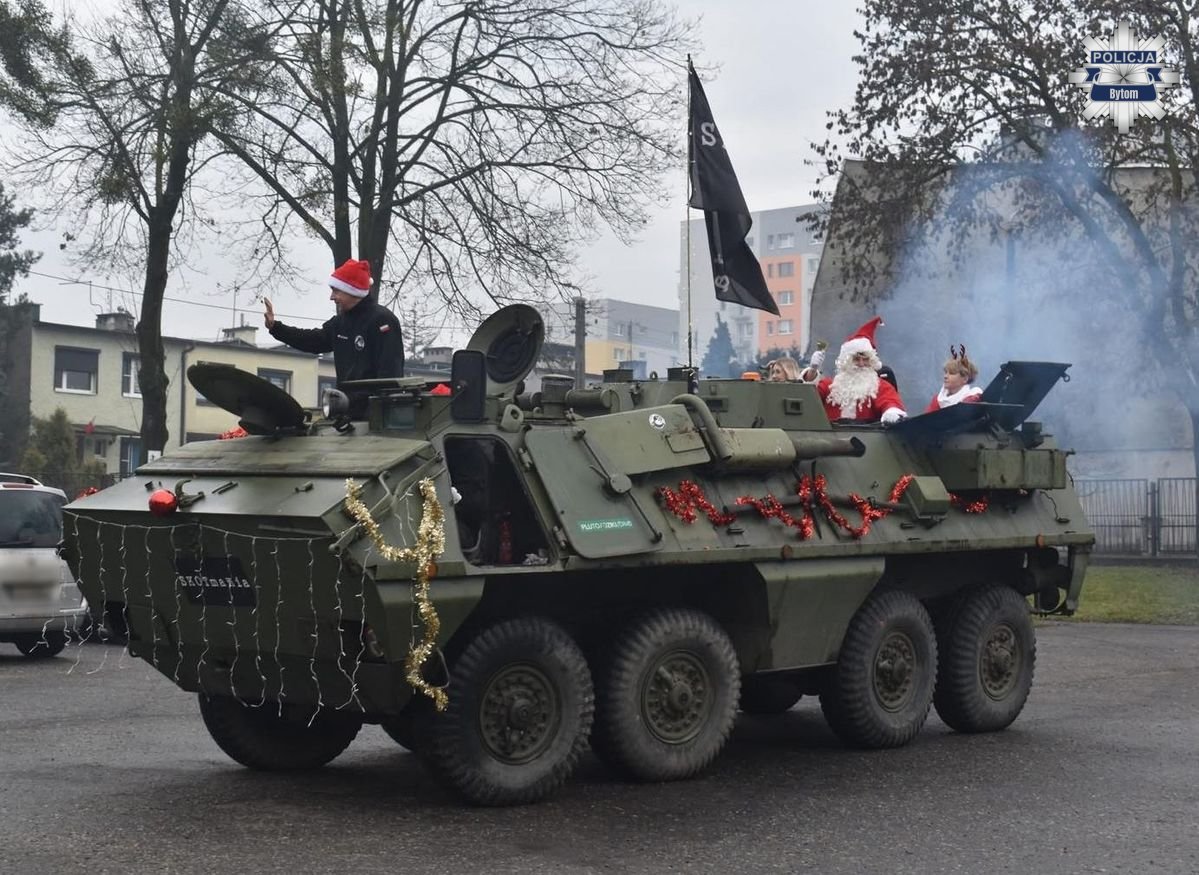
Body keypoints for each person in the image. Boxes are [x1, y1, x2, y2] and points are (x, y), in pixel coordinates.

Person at [264, 258, 404, 418]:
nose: (332, 297)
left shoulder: (382, 321)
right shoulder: (340, 323)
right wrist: (276, 328)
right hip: (345, 411)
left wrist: (379, 414)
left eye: (336, 291)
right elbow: (312, 340)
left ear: (353, 290)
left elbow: (390, 374)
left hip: (375, 415)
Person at [816, 317, 906, 424]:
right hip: (828, 439)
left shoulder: (879, 386)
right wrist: (812, 371)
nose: (861, 364)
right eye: (856, 359)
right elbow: (807, 397)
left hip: (865, 439)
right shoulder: (830, 386)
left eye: (866, 359)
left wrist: (891, 412)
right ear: (847, 361)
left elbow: (890, 401)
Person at [925, 345, 982, 412]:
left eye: (952, 373)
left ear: (965, 379)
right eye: (946, 372)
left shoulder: (974, 398)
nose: (945, 376)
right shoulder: (937, 401)